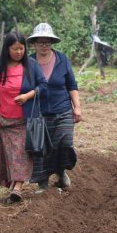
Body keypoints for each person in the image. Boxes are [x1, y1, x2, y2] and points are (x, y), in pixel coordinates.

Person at [0, 31, 47, 202]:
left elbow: (43, 86)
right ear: (7, 49)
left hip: (24, 120)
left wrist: (28, 96)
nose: (19, 52)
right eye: (15, 49)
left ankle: (18, 187)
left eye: (22, 49)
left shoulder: (32, 66)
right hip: (3, 121)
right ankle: (13, 185)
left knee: (20, 154)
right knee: (8, 156)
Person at [27, 23, 82, 191]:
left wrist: (77, 107)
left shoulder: (62, 59)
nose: (44, 45)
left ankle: (61, 172)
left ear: (52, 43)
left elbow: (72, 85)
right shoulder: (28, 63)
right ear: (34, 43)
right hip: (39, 113)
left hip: (63, 109)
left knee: (65, 142)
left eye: (47, 42)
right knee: (40, 148)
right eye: (41, 42)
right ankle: (42, 182)